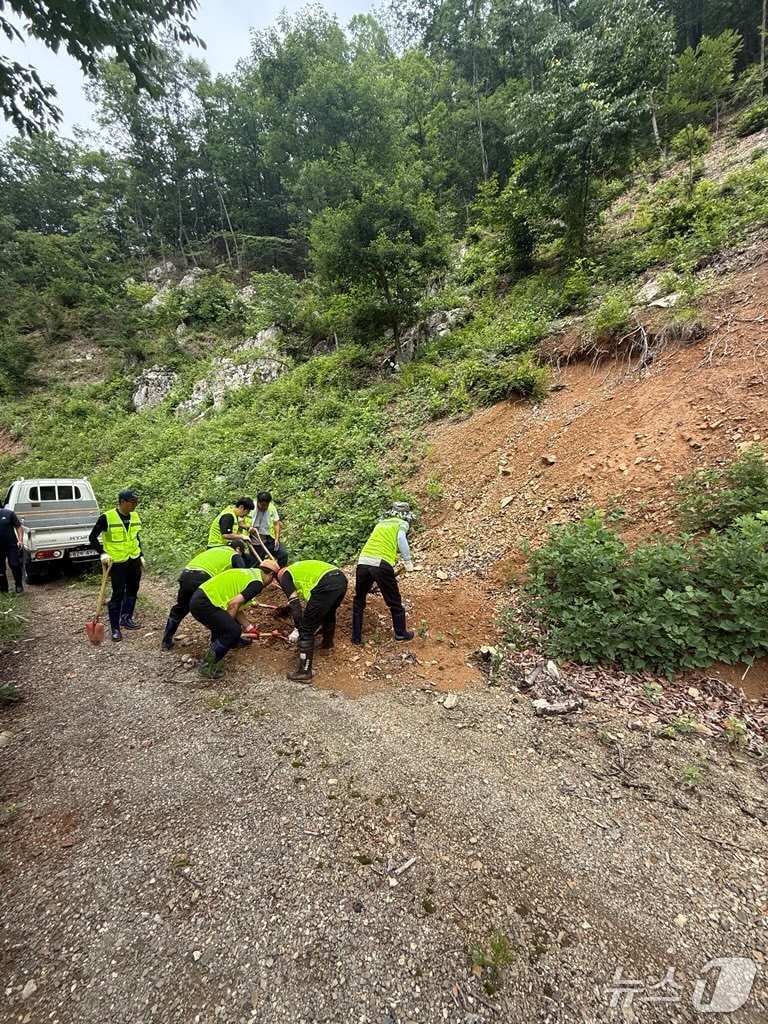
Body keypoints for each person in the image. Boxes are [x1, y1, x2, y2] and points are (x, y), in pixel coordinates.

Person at [259, 558, 348, 683]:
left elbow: (294, 604)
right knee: (328, 614)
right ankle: (327, 644)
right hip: (340, 579)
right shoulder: (297, 569)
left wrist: (297, 628)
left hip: (326, 583)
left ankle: (304, 672)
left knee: (306, 629)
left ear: (273, 575)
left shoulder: (284, 576)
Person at [161, 539, 247, 650]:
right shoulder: (234, 555)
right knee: (216, 609)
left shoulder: (216, 550)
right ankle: (220, 642)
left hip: (186, 574)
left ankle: (166, 641)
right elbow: (241, 575)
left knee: (180, 608)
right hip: (203, 578)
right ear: (239, 549)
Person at [352, 501, 417, 645]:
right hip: (381, 563)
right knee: (394, 600)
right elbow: (401, 538)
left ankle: (356, 638)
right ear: (406, 515)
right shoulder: (402, 523)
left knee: (359, 600)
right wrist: (407, 561)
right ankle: (400, 633)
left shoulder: (381, 523)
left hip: (363, 561)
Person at [89, 488, 144, 642]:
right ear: (122, 502)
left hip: (133, 559)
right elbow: (92, 537)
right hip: (117, 562)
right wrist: (102, 553)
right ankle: (115, 629)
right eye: (132, 502)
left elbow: (135, 537)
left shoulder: (134, 516)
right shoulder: (107, 517)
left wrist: (141, 555)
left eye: (136, 502)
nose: (134, 505)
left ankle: (126, 619)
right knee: (118, 593)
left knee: (133, 589)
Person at [189, 567, 265, 678]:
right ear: (270, 574)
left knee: (229, 627)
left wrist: (249, 628)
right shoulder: (257, 584)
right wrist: (229, 629)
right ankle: (207, 665)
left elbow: (236, 606)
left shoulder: (248, 575)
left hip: (202, 599)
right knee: (233, 630)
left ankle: (230, 642)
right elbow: (233, 604)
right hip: (205, 603)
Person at [207, 497, 257, 565]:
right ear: (241, 507)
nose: (247, 514)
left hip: (225, 546)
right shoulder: (228, 516)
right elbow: (225, 535)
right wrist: (242, 536)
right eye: (247, 511)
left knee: (247, 558)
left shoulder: (233, 514)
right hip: (217, 546)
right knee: (240, 562)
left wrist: (248, 528)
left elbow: (239, 524)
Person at [248, 491, 288, 567]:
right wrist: (248, 528)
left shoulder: (271, 508)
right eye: (263, 505)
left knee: (283, 554)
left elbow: (276, 523)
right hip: (255, 541)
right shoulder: (251, 508)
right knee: (256, 564)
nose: (265, 507)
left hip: (269, 539)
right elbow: (241, 522)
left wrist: (276, 539)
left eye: (267, 505)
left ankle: (280, 574)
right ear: (258, 502)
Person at [0, 500, 24, 594]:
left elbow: (18, 526)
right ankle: (4, 589)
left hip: (11, 545)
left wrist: (20, 540)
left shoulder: (9, 513)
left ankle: (18, 585)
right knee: (0, 569)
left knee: (14, 564)